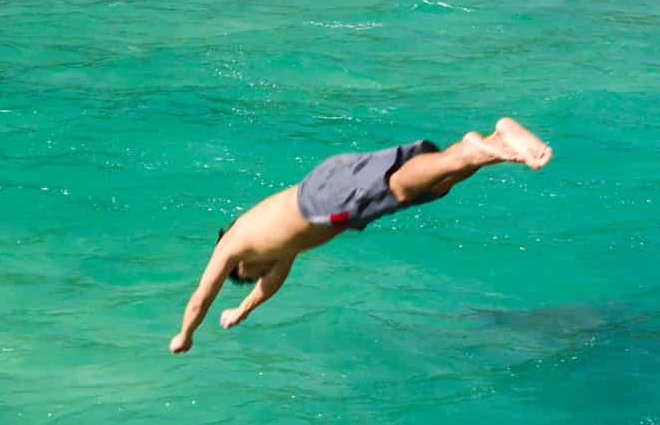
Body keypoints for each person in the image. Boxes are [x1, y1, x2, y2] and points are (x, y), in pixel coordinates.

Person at [168, 118, 552, 354]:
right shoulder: (278, 247)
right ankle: (497, 142)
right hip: (333, 202)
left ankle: (476, 147)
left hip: (323, 198)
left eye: (250, 276)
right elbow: (272, 284)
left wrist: (186, 334)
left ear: (240, 265)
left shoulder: (233, 244)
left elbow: (201, 298)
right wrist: (243, 310)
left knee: (400, 186)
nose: (262, 273)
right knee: (434, 186)